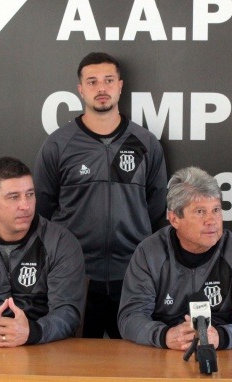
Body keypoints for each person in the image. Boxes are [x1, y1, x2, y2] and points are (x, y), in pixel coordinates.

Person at [33, 52, 167, 339]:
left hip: (133, 276)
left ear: (120, 85)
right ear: (80, 90)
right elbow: (43, 209)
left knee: (137, 363)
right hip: (75, 276)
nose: (101, 88)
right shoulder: (59, 144)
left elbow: (156, 208)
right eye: (92, 82)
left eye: (108, 80)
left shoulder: (145, 143)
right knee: (74, 364)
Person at [118, 167, 232, 350]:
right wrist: (164, 335)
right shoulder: (149, 252)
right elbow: (130, 317)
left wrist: (222, 336)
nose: (212, 220)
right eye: (200, 211)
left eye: (216, 210)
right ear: (174, 219)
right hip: (166, 351)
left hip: (223, 352)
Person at [0, 156, 85, 346]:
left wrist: (31, 332)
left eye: (30, 194)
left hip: (44, 347)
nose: (25, 206)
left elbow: (67, 312)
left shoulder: (61, 242)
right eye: (14, 197)